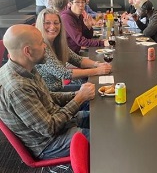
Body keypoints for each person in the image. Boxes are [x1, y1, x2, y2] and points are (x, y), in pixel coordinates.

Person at [0, 24, 95, 159]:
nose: (45, 46)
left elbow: (47, 96)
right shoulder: (18, 88)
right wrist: (79, 99)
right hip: (49, 143)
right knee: (103, 139)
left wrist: (76, 95)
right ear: (28, 51)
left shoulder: (27, 67)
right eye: (41, 43)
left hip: (59, 121)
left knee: (100, 119)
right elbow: (50, 128)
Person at [35, 8, 112, 92]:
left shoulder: (58, 43)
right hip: (51, 96)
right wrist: (97, 71)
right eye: (47, 23)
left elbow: (78, 60)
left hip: (59, 90)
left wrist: (97, 64)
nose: (53, 27)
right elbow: (64, 73)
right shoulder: (42, 47)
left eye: (56, 23)